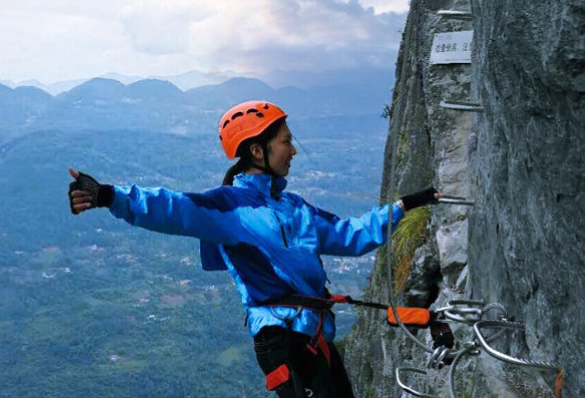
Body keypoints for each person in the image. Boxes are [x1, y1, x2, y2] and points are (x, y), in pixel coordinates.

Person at [67, 100, 440, 397]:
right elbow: (172, 208)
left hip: (313, 335)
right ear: (259, 151)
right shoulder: (230, 207)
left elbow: (349, 235)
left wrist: (402, 206)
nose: (293, 150)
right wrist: (108, 196)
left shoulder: (295, 207)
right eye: (286, 141)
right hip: (281, 339)